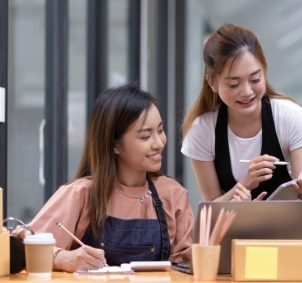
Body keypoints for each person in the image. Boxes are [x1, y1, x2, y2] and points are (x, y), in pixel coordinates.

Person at [25, 85, 193, 272]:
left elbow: (185, 265)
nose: (159, 142)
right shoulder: (81, 193)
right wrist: (63, 258)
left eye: (160, 131)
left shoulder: (173, 194)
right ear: (114, 145)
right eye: (146, 136)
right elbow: (23, 245)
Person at [181, 23, 302, 238]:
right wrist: (245, 184)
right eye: (234, 84)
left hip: (293, 243)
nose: (246, 92)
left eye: (255, 79)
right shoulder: (202, 130)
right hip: (237, 245)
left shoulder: (292, 117)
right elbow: (208, 211)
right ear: (212, 82)